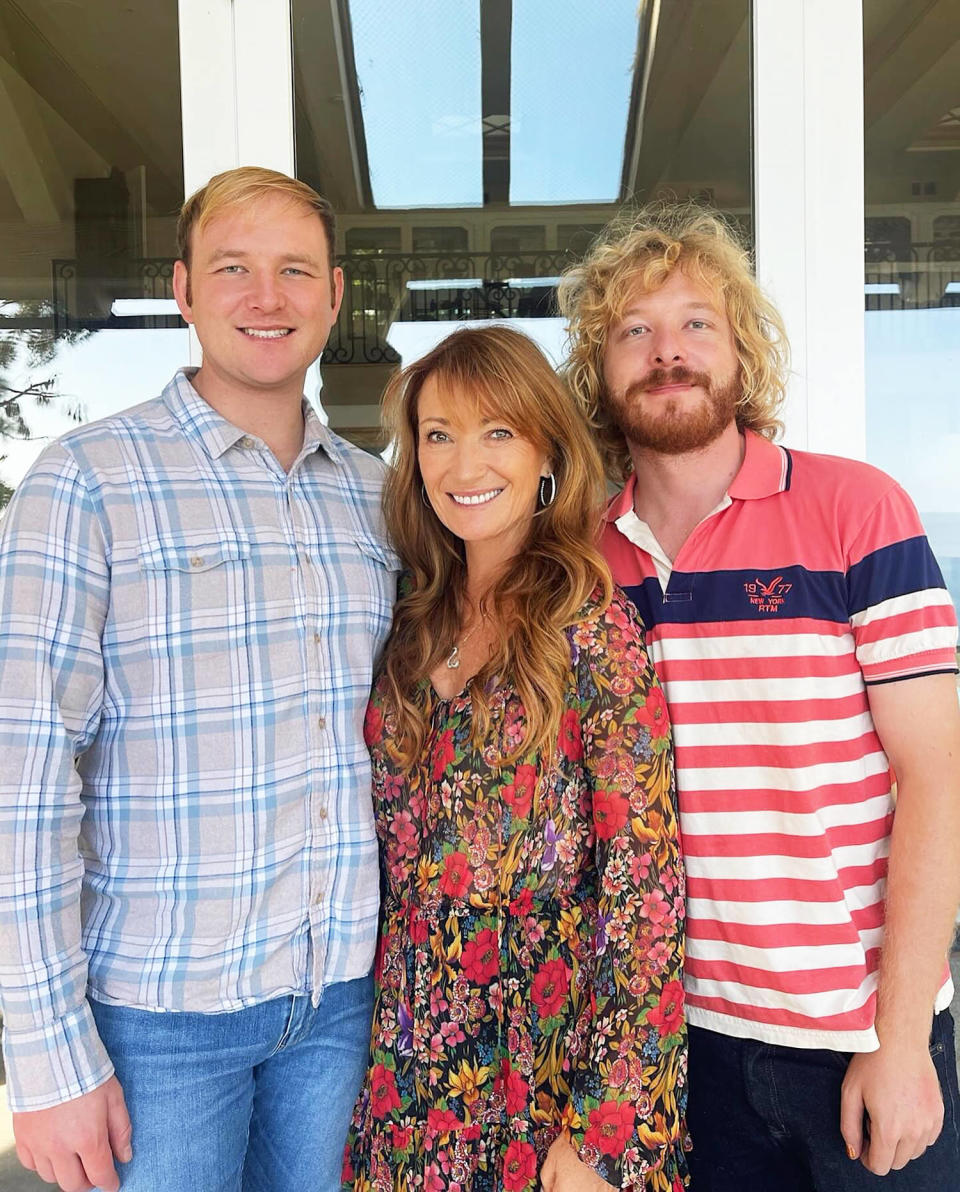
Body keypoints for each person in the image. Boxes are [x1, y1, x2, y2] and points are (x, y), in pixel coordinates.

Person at [0, 166, 398, 1192]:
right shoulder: (87, 479)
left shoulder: (379, 498)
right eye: (234, 268)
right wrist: (44, 1054)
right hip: (158, 1022)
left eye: (294, 271)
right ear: (183, 288)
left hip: (342, 1006)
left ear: (335, 295)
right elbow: (24, 774)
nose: (266, 297)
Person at [558, 203, 960, 1190]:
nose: (668, 352)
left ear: (742, 351)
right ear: (600, 369)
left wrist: (901, 1037)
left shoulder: (856, 510)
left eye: (698, 323)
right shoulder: (584, 563)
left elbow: (938, 780)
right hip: (683, 1049)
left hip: (859, 1043)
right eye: (634, 331)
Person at [342, 324, 688, 1192]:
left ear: (546, 454)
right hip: (410, 1069)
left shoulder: (592, 630)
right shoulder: (408, 623)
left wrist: (607, 1135)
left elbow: (645, 891)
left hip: (552, 1070)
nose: (465, 465)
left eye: (497, 432)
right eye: (439, 435)